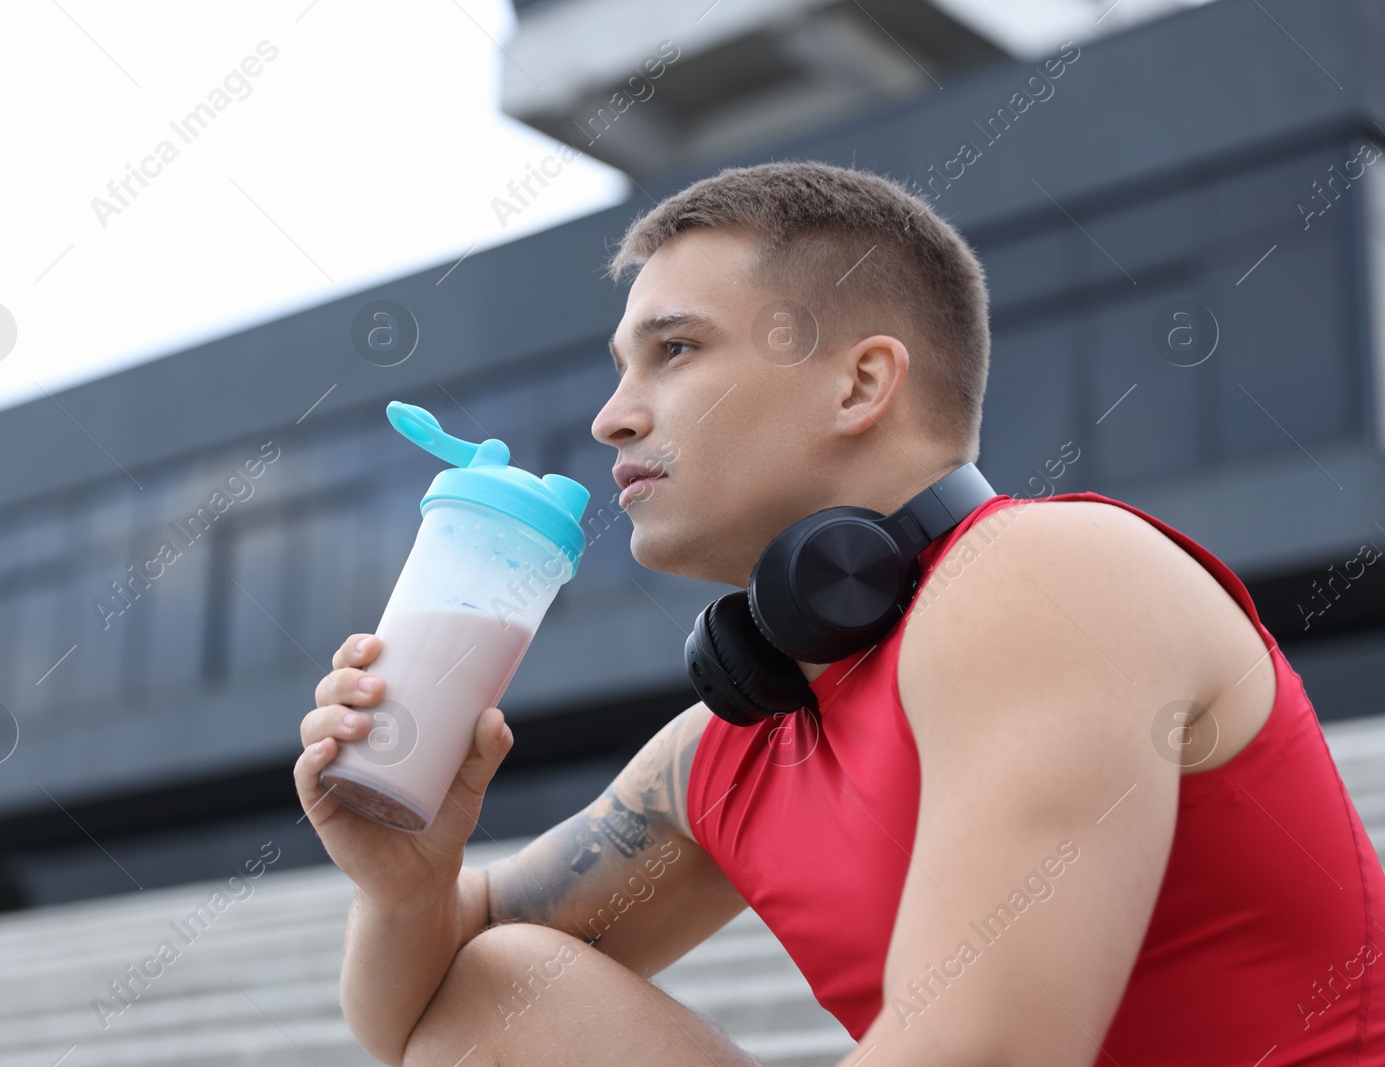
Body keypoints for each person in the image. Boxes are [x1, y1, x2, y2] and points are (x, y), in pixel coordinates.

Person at [294, 160, 1385, 1066]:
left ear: (861, 385)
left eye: (674, 351)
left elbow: (984, 1053)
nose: (611, 418)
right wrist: (408, 882)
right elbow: (431, 1021)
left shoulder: (1049, 571)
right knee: (501, 983)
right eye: (621, 367)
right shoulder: (724, 749)